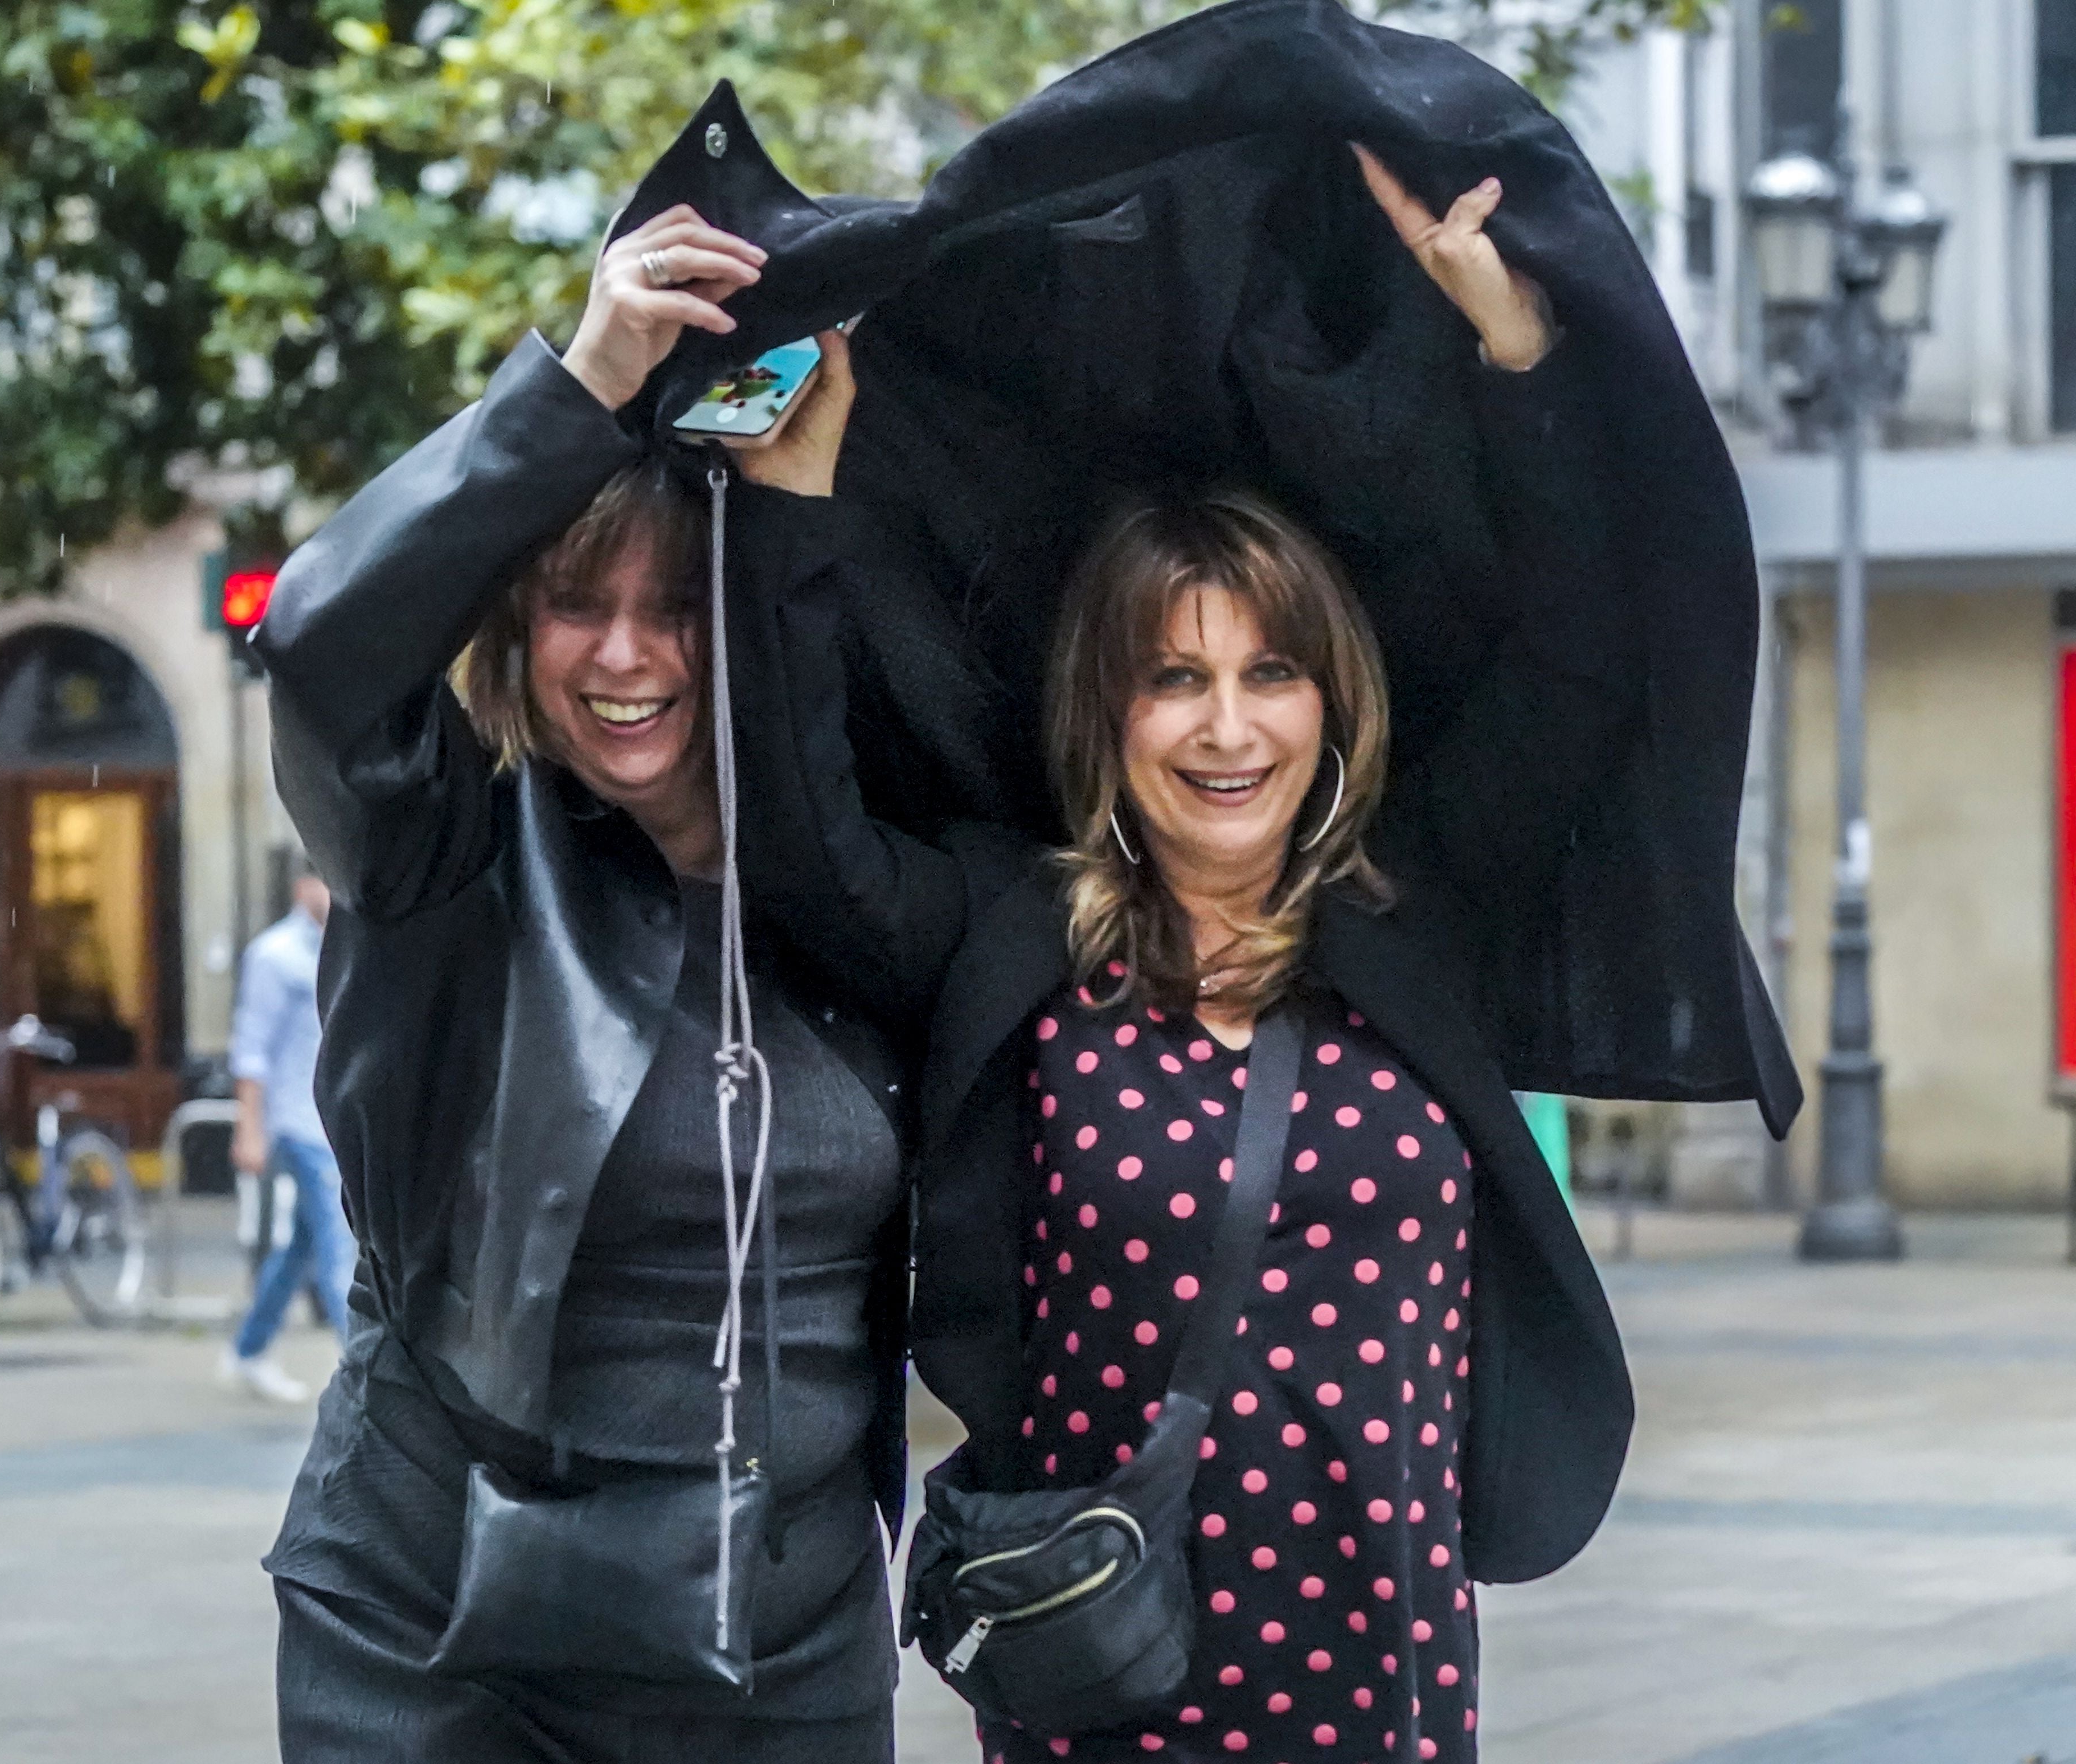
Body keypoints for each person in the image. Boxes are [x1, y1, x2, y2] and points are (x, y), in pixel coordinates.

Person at [725, 146, 1631, 1763]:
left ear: (1329, 701)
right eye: (1172, 680)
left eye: (1268, 672)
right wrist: (788, 506)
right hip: (1110, 1674)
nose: (1226, 727)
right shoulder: (1018, 937)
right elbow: (808, 842)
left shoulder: (1409, 919)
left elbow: (1579, 653)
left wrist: (1515, 356)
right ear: (1108, 712)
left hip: (1390, 1681)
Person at [247, 202, 913, 1759]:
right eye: (576, 603)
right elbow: (320, 647)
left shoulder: (856, 881)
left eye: (673, 605)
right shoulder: (447, 853)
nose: (625, 656)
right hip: (443, 1638)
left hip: (788, 1647)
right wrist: (586, 377)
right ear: (516, 624)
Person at [220, 867, 349, 1404]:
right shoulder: (274, 956)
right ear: (302, 887)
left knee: (300, 1246)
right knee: (340, 1247)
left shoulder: (345, 945)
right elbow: (251, 1048)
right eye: (324, 881)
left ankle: (248, 1350)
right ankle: (363, 1368)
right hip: (297, 1123)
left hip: (330, 1122)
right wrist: (249, 1128)